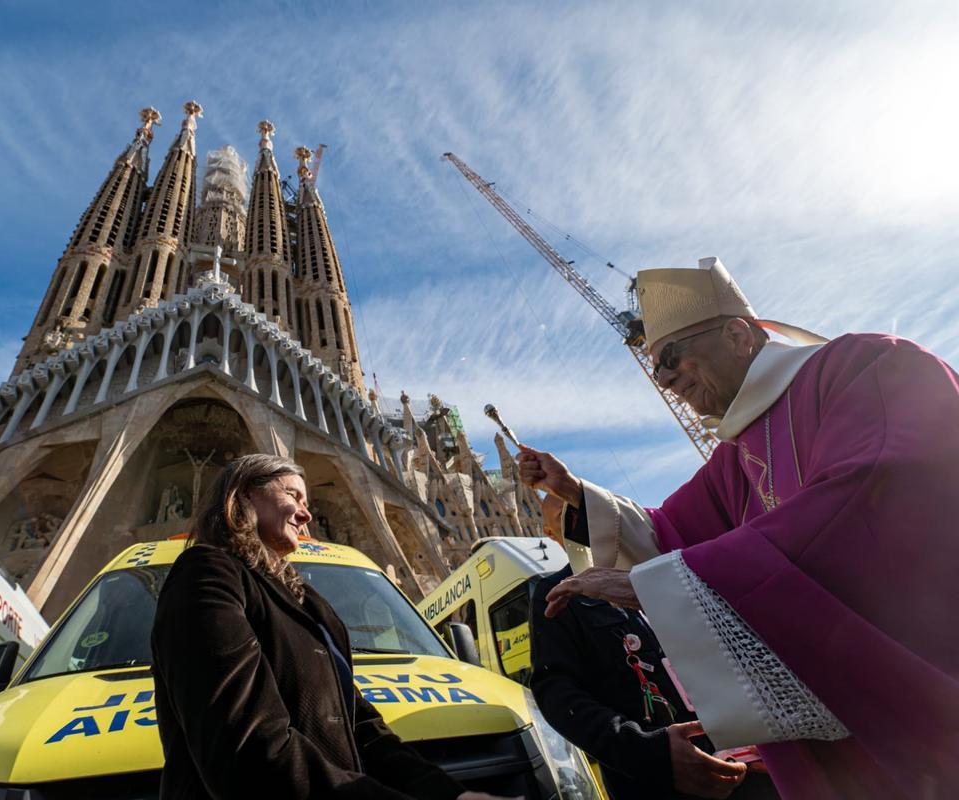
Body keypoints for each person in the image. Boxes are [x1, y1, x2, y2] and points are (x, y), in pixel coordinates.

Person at [517, 257, 959, 799]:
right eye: (655, 369)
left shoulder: (868, 367)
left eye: (670, 357)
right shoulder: (736, 455)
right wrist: (573, 492)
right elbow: (671, 532)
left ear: (737, 335)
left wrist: (661, 584)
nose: (665, 379)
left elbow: (872, 496)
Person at [150, 454, 516, 800]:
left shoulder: (308, 602)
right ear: (244, 493)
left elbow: (362, 727)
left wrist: (451, 794)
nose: (307, 514)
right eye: (293, 495)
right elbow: (247, 748)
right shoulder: (207, 573)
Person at [531, 497, 755, 799]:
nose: (582, 517)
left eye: (584, 505)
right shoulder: (557, 592)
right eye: (565, 514)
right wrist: (647, 750)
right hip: (664, 780)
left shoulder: (654, 566)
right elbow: (556, 691)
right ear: (549, 533)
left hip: (742, 754)